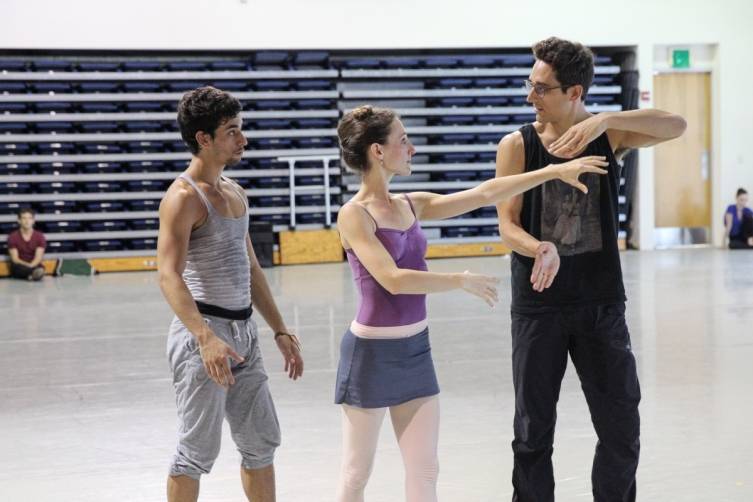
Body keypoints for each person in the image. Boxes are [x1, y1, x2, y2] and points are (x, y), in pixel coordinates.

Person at [334, 104, 609, 502]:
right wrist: (458, 280)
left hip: (415, 350)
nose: (411, 148)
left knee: (425, 469)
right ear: (378, 151)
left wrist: (552, 170)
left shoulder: (412, 204)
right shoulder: (353, 215)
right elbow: (392, 280)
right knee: (357, 471)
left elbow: (485, 193)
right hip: (371, 354)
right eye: (403, 140)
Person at [495, 37, 687, 502]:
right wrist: (538, 246)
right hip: (539, 309)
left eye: (541, 88)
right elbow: (507, 224)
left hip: (601, 305)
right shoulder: (516, 145)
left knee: (621, 426)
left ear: (574, 92)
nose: (530, 96)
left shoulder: (609, 135)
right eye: (530, 84)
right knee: (532, 434)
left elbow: (676, 124)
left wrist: (609, 118)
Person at [157, 86, 303, 502]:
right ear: (204, 139)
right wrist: (205, 338)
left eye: (241, 129)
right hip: (203, 335)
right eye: (232, 131)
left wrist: (279, 328)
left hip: (245, 334)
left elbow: (251, 268)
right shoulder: (184, 198)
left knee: (261, 443)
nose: (243, 139)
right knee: (196, 451)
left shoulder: (236, 191)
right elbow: (168, 275)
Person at [7, 207, 47, 281]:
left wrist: (31, 265)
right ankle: (33, 275)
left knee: (40, 268)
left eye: (30, 218)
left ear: (33, 221)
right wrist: (28, 266)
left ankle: (32, 275)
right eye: (24, 218)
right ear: (19, 221)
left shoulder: (40, 236)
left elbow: (38, 257)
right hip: (20, 266)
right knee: (17, 268)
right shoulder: (12, 237)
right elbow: (15, 259)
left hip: (34, 264)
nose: (27, 221)